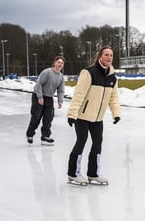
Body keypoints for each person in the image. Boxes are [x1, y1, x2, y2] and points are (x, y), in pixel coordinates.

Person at [67, 46, 121, 185]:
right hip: (82, 116)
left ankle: (93, 173)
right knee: (81, 142)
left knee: (97, 143)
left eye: (111, 55)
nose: (109, 57)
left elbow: (113, 98)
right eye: (106, 54)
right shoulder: (89, 73)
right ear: (100, 57)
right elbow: (79, 94)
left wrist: (116, 114)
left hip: (98, 118)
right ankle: (73, 174)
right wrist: (72, 114)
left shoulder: (112, 77)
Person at [26, 56, 65, 145]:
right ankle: (30, 134)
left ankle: (45, 136)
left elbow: (61, 90)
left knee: (48, 118)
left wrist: (60, 100)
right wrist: (40, 97)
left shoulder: (61, 77)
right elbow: (39, 84)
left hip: (49, 97)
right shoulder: (47, 72)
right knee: (36, 116)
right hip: (38, 95)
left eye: (62, 63)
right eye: (58, 62)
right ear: (55, 63)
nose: (60, 64)